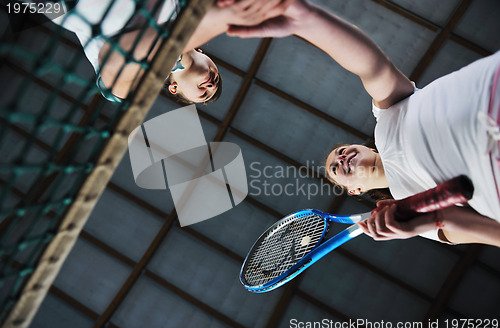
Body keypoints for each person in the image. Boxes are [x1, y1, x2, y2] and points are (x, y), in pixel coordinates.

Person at [227, 0, 500, 247]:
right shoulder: (411, 209)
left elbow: (372, 67)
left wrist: (311, 21)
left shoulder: (387, 118)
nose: (342, 157)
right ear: (355, 190)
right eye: (337, 166)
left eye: (342, 151)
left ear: (367, 148)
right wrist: (434, 221)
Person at [51, 0, 292, 103]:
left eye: (204, 94)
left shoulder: (135, 86)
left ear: (174, 89)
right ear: (205, 53)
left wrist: (215, 23)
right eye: (216, 80)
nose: (210, 85)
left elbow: (115, 58)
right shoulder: (187, 10)